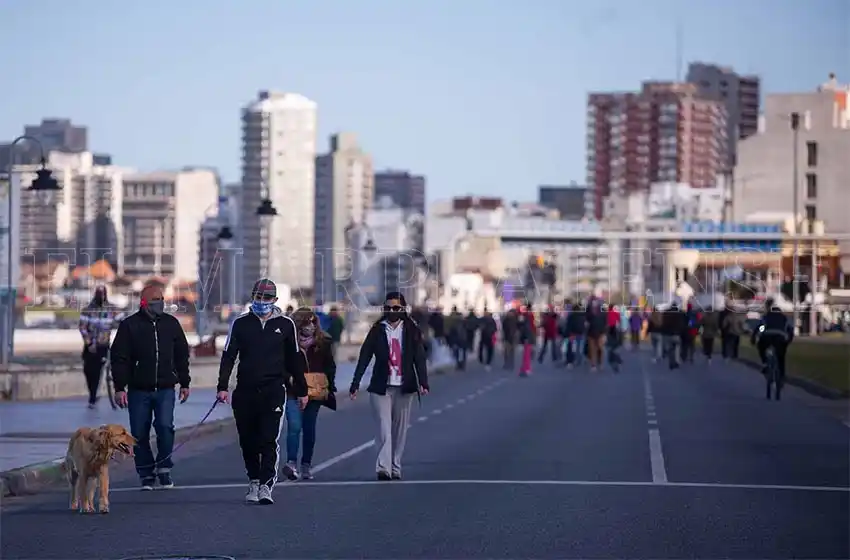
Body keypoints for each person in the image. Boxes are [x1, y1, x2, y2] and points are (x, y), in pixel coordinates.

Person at [216, 278, 307, 505]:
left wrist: (302, 390)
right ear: (252, 297)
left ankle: (266, 485)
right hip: (245, 391)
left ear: (274, 300)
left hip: (273, 390)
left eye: (267, 298)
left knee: (268, 439)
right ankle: (254, 480)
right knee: (248, 440)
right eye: (258, 297)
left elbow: (294, 359)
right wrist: (222, 387)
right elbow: (229, 356)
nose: (262, 301)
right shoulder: (241, 324)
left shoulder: (286, 325)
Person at [110, 283, 190, 490]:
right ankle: (146, 473)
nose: (160, 304)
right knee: (138, 433)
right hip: (139, 390)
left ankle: (164, 468)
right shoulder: (129, 326)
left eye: (162, 300)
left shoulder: (171, 324)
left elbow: (182, 354)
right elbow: (119, 358)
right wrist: (120, 388)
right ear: (144, 303)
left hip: (165, 388)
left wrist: (184, 382)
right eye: (156, 301)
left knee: (165, 427)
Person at [349, 292, 428, 480]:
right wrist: (355, 383)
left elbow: (419, 357)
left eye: (396, 308)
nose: (392, 311)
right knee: (384, 429)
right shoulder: (377, 330)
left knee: (400, 430)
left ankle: (395, 465)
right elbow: (365, 356)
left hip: (404, 386)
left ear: (402, 309)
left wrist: (423, 382)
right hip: (381, 387)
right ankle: (383, 467)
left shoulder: (411, 330)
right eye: (388, 308)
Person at [284, 307, 337, 481]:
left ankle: (306, 464)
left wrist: (330, 385)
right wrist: (288, 379)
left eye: (314, 322)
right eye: (307, 322)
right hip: (293, 390)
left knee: (309, 428)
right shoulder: (288, 343)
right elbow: (280, 366)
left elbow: (330, 366)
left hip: (314, 391)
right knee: (294, 426)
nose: (311, 326)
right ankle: (291, 463)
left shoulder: (323, 342)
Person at [78, 285, 122, 408]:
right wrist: (89, 342)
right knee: (87, 371)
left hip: (103, 345)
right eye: (99, 293)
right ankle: (92, 392)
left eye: (103, 294)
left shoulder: (111, 309)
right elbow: (82, 327)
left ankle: (92, 397)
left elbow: (122, 321)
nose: (101, 296)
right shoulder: (88, 310)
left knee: (97, 371)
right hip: (89, 345)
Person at [752, 298, 794, 400]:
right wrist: (788, 340)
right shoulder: (784, 318)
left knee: (761, 347)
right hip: (780, 338)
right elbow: (789, 330)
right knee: (781, 358)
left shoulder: (766, 317)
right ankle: (782, 377)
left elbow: (761, 327)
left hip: (767, 337)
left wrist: (755, 337)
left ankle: (765, 362)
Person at [661, 302, 687, 370]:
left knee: (670, 349)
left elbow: (663, 323)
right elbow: (683, 324)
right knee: (677, 348)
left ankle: (671, 362)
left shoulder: (666, 313)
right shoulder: (680, 313)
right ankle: (677, 361)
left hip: (668, 334)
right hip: (677, 334)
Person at [585, 299, 606, 371]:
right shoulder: (588, 313)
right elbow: (586, 322)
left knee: (600, 349)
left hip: (600, 333)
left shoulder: (603, 312)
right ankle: (593, 365)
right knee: (592, 350)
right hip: (591, 333)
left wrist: (604, 333)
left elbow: (605, 323)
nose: (594, 306)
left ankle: (600, 363)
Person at [564, 301, 586, 368]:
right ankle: (579, 360)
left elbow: (568, 325)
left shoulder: (571, 316)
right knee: (579, 347)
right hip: (581, 333)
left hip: (572, 333)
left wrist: (567, 333)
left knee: (571, 347)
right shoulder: (583, 315)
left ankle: (570, 361)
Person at [518, 304, 536, 376]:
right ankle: (526, 369)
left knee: (526, 354)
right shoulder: (529, 316)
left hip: (527, 337)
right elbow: (528, 328)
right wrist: (527, 338)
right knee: (527, 354)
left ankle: (523, 368)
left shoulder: (525, 316)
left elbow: (522, 327)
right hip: (528, 337)